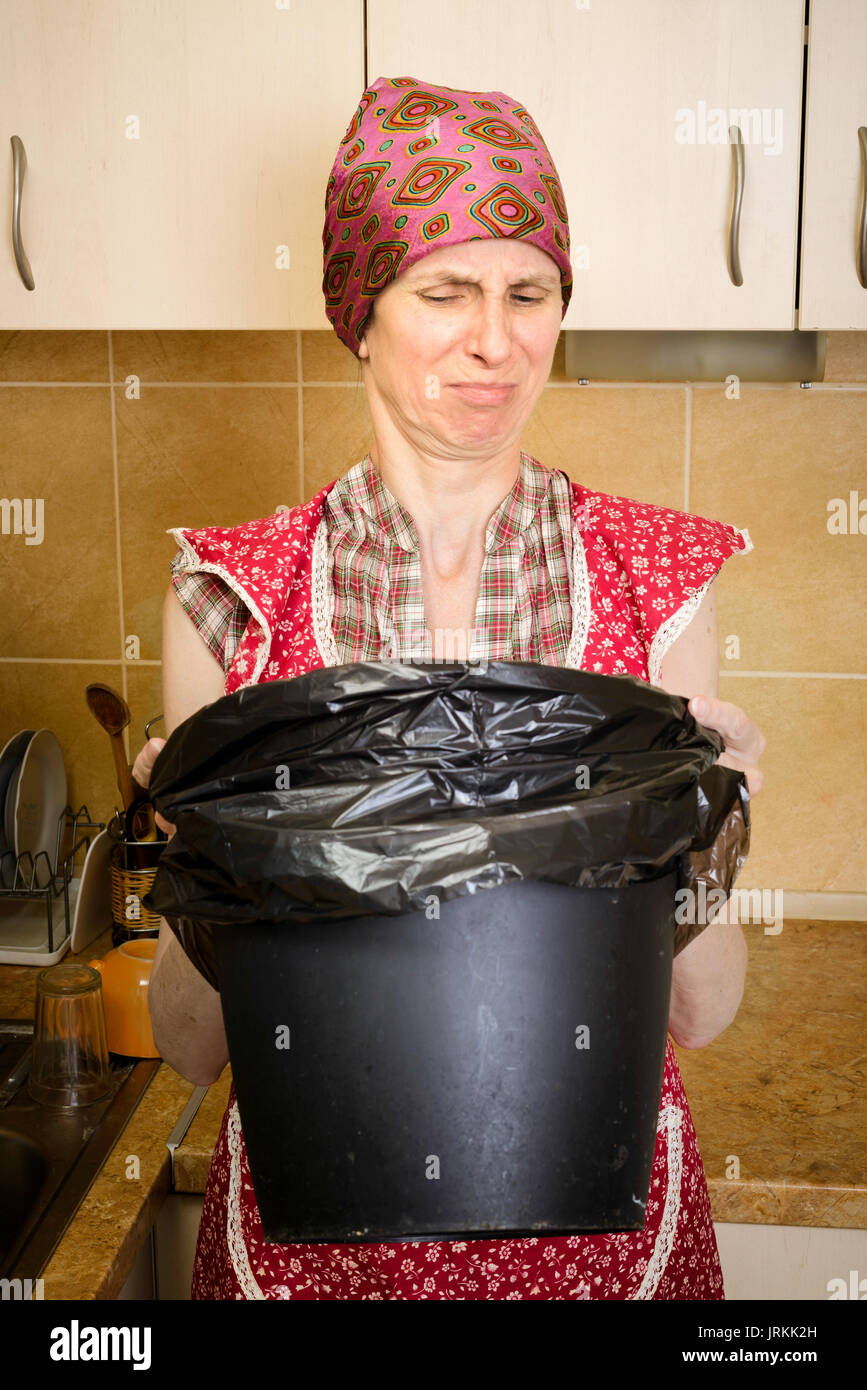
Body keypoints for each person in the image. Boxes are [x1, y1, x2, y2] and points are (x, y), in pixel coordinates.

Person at [136, 75, 766, 1300]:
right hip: (313, 1260)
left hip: (595, 1256)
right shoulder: (230, 595)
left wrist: (726, 815)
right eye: (446, 292)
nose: (497, 339)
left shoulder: (653, 582)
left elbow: (697, 1011)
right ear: (359, 311)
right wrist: (193, 858)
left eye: (530, 294)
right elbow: (192, 1048)